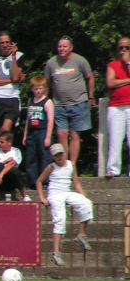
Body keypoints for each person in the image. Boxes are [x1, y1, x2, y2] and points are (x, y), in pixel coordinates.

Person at [36, 143, 93, 267]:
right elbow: (39, 181)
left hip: (66, 192)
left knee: (86, 204)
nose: (59, 157)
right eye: (56, 155)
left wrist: (83, 195)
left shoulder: (71, 165)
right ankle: (56, 252)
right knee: (60, 219)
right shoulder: (51, 167)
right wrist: (42, 197)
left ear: (64, 153)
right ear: (53, 157)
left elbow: (76, 182)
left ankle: (81, 234)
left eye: (60, 154)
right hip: (55, 194)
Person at [44, 36, 95, 165]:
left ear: (71, 47)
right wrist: (45, 100)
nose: (62, 49)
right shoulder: (51, 63)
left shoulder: (80, 60)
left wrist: (91, 96)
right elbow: (46, 83)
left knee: (74, 135)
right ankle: (64, 163)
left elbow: (90, 78)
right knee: (61, 134)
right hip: (59, 104)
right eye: (60, 46)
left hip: (78, 103)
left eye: (64, 46)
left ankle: (72, 165)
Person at [0, 31, 26, 142]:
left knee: (5, 130)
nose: (5, 45)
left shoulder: (19, 56)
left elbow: (15, 76)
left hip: (12, 97)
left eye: (7, 42)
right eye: (2, 42)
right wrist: (13, 80)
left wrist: (13, 57)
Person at [105, 37, 130, 177]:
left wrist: (128, 64)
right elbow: (110, 83)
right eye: (121, 48)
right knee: (115, 139)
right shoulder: (113, 65)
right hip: (116, 107)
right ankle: (113, 170)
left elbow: (116, 82)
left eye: (127, 48)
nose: (123, 50)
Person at [22, 76, 54, 187]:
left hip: (42, 131)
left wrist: (48, 137)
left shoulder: (47, 101)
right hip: (31, 132)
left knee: (44, 157)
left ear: (44, 88)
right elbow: (27, 119)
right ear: (32, 89)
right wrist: (25, 135)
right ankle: (32, 181)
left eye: (40, 88)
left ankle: (45, 181)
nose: (38, 91)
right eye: (36, 88)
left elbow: (50, 120)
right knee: (31, 157)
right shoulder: (30, 101)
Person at [0, 131, 30, 201]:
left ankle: (25, 196)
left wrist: (1, 175)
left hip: (9, 180)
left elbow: (12, 164)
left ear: (9, 142)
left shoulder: (16, 151)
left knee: (14, 170)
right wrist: (4, 162)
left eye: (2, 142)